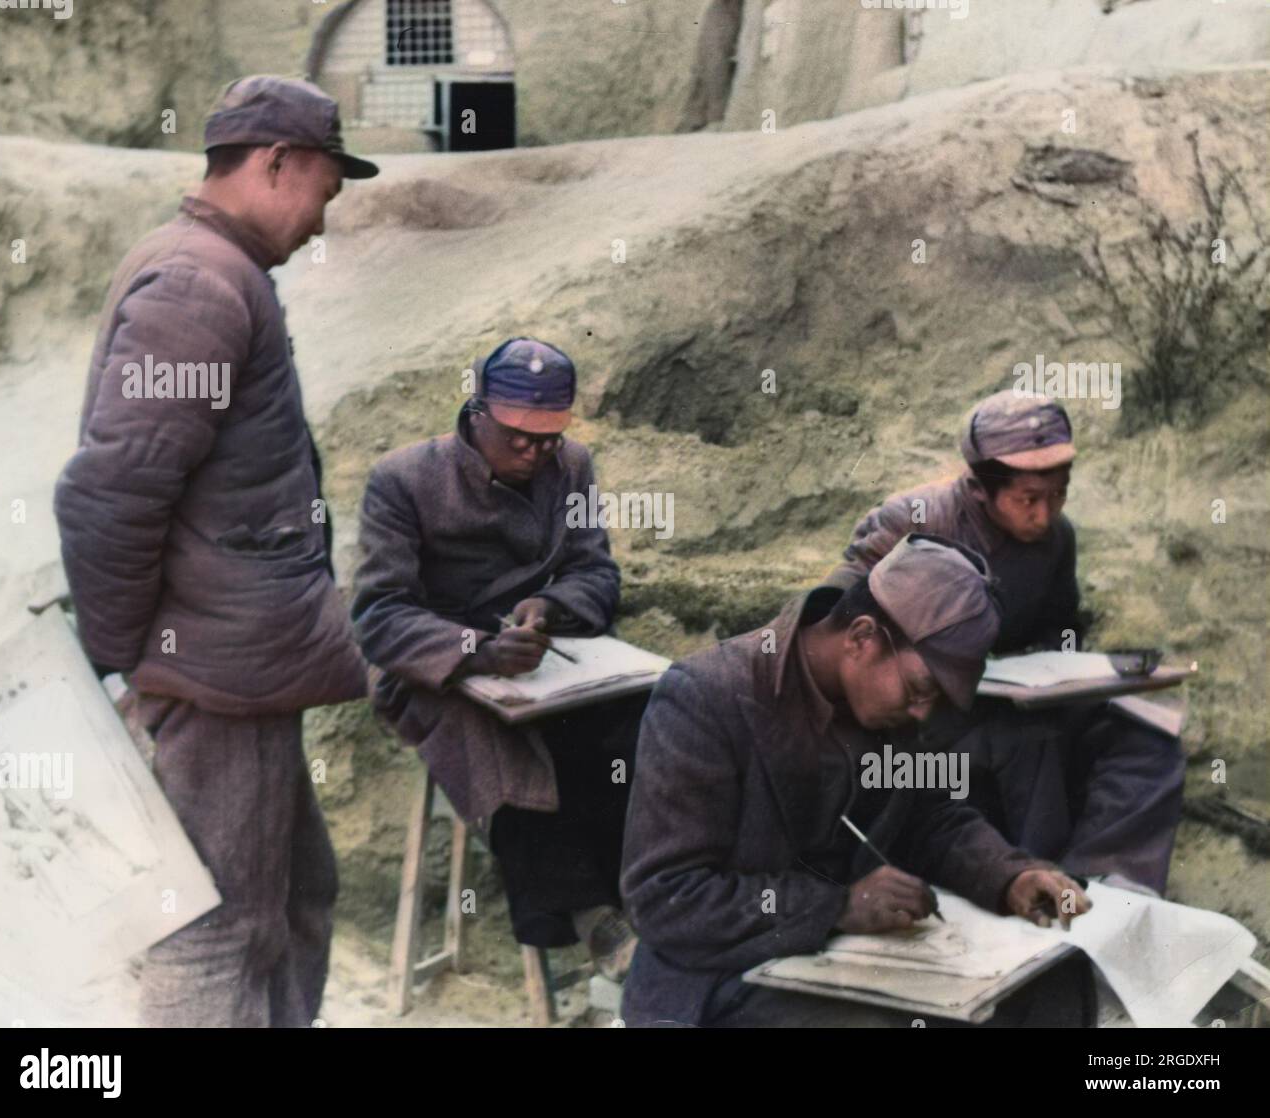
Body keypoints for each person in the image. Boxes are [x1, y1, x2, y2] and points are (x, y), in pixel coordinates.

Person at [53, 76, 378, 1027]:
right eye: (327, 185)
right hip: (213, 679)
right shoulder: (199, 285)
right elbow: (112, 492)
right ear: (278, 164)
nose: (326, 217)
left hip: (237, 668)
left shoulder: (213, 269)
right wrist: (126, 664)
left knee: (298, 891)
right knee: (215, 928)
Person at [621, 534, 1096, 1027]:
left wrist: (1008, 875)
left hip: (843, 958)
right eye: (918, 689)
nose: (923, 711)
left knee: (1050, 981)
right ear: (862, 637)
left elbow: (928, 818)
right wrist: (836, 906)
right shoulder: (705, 698)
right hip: (721, 978)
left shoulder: (893, 713)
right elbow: (665, 895)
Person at [353, 338, 641, 976]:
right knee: (500, 742)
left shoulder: (571, 467)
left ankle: (645, 894)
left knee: (639, 721)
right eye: (518, 437)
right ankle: (592, 917)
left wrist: (548, 607)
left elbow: (596, 571)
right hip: (436, 667)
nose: (534, 452)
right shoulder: (404, 480)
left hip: (548, 654)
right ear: (477, 413)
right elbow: (379, 616)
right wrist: (476, 651)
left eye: (547, 438)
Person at [823, 391, 1184, 895]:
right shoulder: (915, 520)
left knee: (1147, 737)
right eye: (1027, 500)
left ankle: (1109, 884)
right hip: (922, 711)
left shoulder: (1058, 539)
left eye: (1057, 495)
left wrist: (1080, 672)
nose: (1044, 514)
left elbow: (1060, 630)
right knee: (1023, 743)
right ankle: (1035, 883)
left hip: (1017, 700)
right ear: (981, 489)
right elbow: (834, 624)